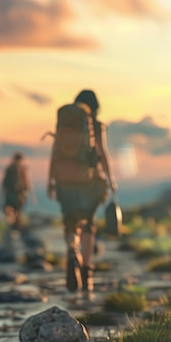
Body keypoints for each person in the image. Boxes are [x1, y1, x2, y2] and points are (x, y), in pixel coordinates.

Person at [48, 89, 117, 297]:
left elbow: (55, 151)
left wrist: (51, 179)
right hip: (89, 180)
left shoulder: (66, 125)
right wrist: (109, 178)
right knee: (88, 223)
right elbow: (101, 152)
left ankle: (71, 249)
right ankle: (86, 273)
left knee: (70, 221)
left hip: (64, 178)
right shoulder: (96, 126)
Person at [1, 151, 34, 233]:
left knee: (17, 212)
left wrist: (25, 195)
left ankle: (16, 228)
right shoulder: (11, 169)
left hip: (18, 196)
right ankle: (13, 228)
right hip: (12, 195)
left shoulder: (22, 169)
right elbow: (5, 183)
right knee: (12, 212)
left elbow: (26, 184)